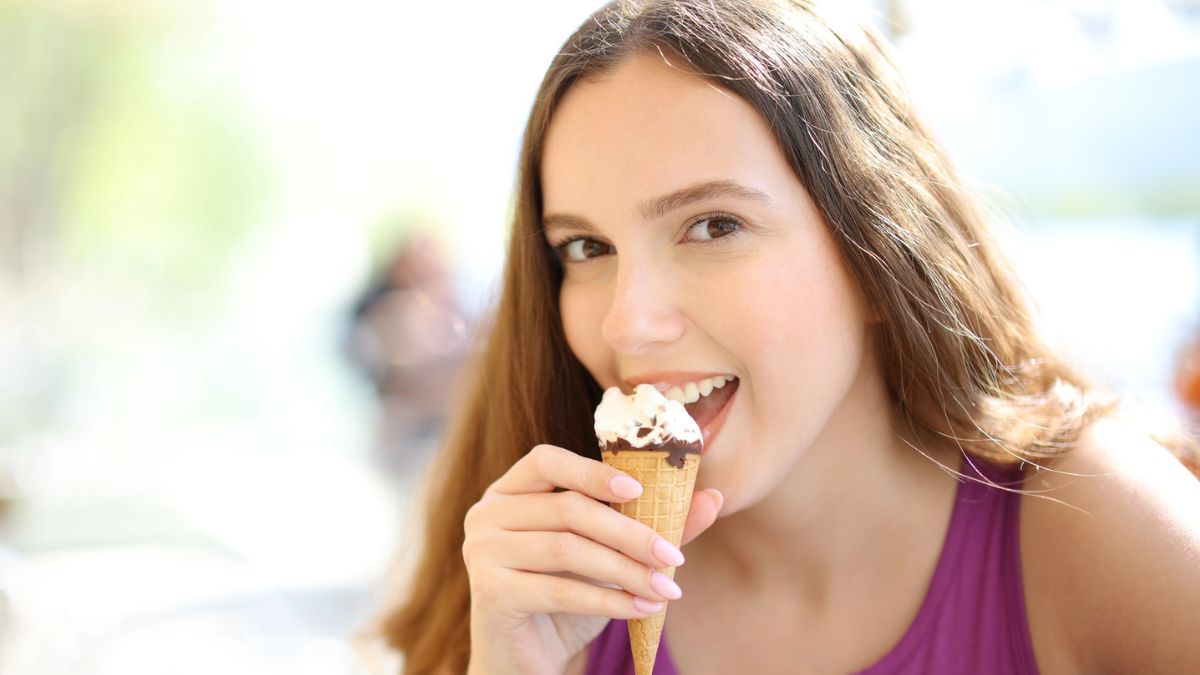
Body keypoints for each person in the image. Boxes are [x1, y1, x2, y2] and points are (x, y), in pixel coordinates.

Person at [373, 1, 1200, 673]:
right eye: (586, 248)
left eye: (713, 224)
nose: (627, 319)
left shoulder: (1094, 526)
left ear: (878, 250)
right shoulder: (532, 592)